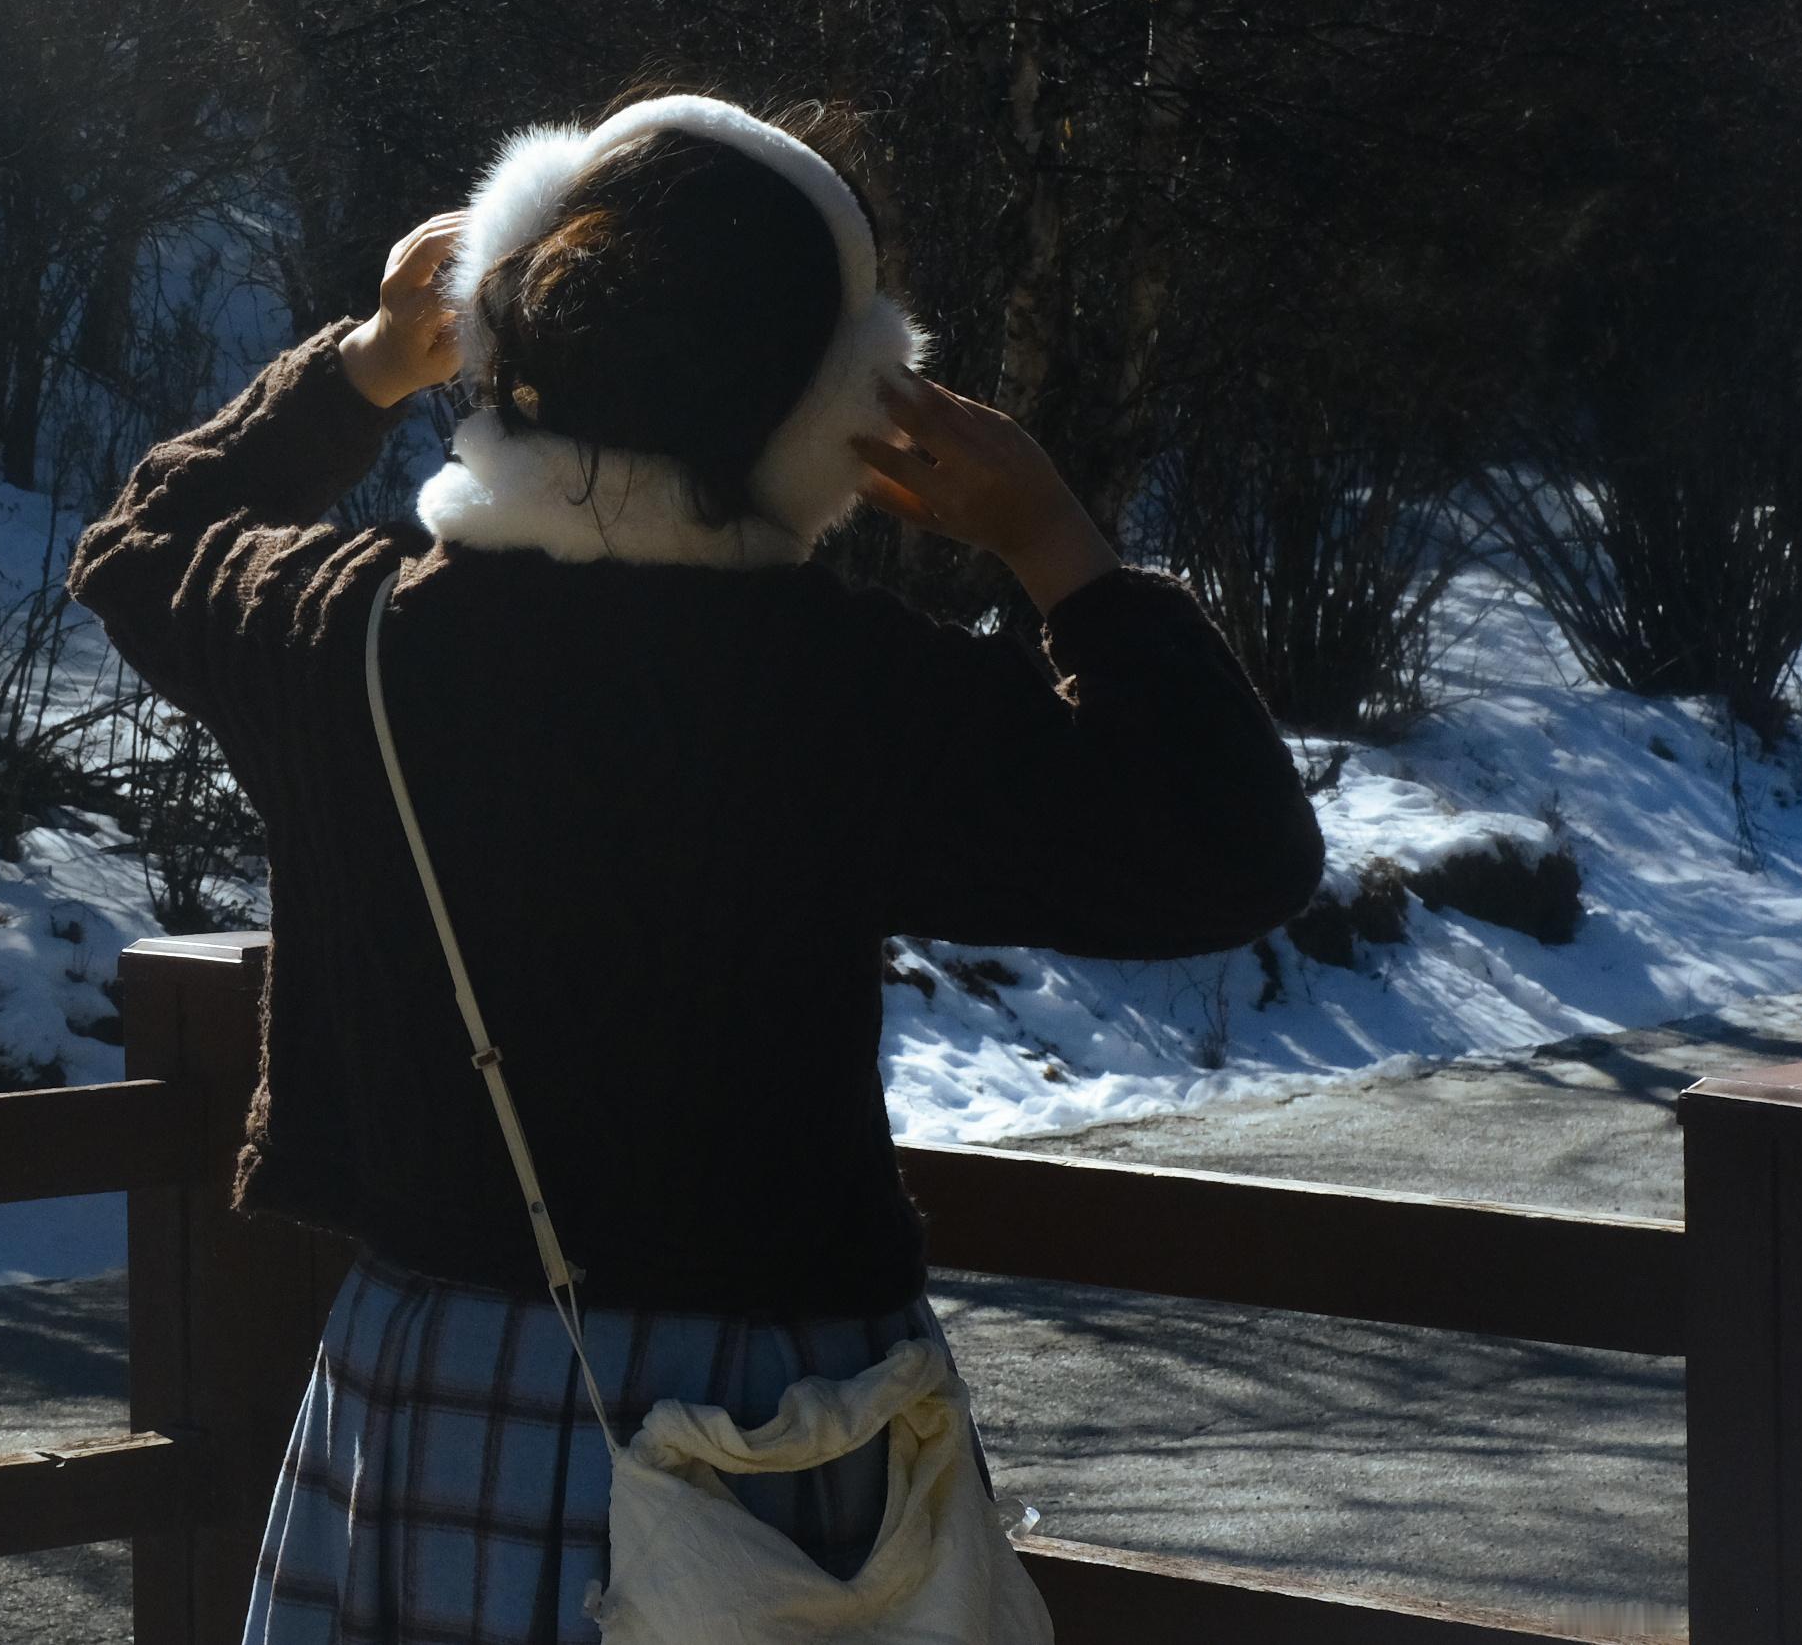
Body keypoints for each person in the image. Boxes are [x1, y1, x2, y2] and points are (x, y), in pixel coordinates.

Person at [69, 93, 1322, 1645]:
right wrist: (1059, 548)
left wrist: (374, 358)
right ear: (826, 411)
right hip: (779, 1435)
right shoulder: (850, 686)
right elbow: (1234, 852)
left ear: (504, 327)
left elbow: (146, 537)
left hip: (435, 1395)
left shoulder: (354, 636)